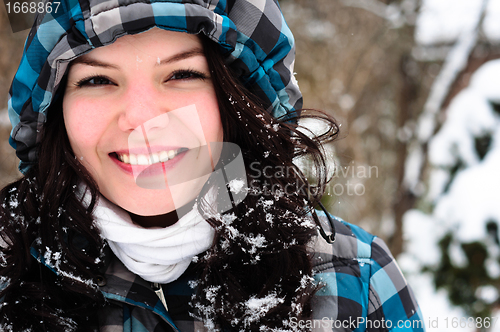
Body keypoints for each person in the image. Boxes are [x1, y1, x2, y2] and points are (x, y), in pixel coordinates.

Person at [0, 0, 425, 331]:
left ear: (235, 100)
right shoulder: (8, 275)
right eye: (96, 80)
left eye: (182, 74)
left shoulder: (358, 280)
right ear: (55, 114)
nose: (143, 120)